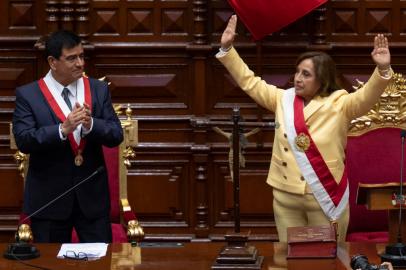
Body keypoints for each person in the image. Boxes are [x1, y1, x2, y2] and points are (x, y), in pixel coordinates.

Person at [217, 15, 392, 242]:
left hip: (324, 195)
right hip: (285, 195)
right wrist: (228, 49)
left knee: (327, 258)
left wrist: (383, 69)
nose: (297, 79)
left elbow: (368, 96)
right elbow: (250, 82)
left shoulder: (341, 104)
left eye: (306, 74)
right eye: (297, 72)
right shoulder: (282, 99)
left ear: (322, 79)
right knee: (291, 256)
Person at [12, 30, 123, 243]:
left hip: (92, 201)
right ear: (53, 62)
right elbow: (24, 140)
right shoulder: (29, 95)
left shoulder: (98, 90)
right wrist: (62, 129)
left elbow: (116, 134)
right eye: (72, 58)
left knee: (100, 264)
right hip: (50, 200)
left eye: (81, 56)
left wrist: (91, 125)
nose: (80, 63)